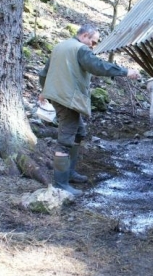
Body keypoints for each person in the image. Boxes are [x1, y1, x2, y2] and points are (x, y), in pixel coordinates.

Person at [41, 23, 140, 195]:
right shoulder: (80, 49)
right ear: (85, 36)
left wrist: (44, 91)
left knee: (79, 132)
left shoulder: (60, 46)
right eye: (93, 42)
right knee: (65, 141)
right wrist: (124, 71)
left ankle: (69, 173)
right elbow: (97, 66)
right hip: (67, 99)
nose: (93, 46)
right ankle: (60, 185)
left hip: (59, 96)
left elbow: (44, 73)